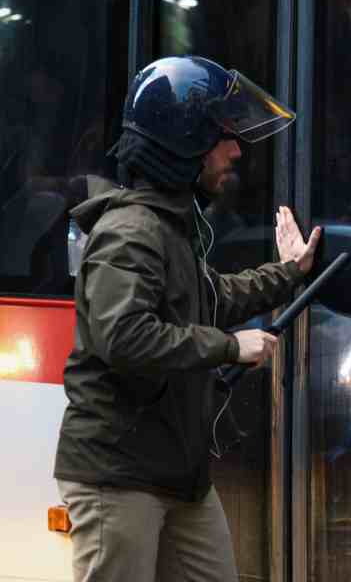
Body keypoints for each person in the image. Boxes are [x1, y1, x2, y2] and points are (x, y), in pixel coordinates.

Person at [53, 55, 323, 582]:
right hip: (120, 472)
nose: (236, 150)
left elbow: (213, 296)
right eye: (224, 136)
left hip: (178, 471)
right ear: (184, 143)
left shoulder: (169, 229)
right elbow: (122, 336)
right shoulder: (132, 231)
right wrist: (228, 347)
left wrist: (289, 272)